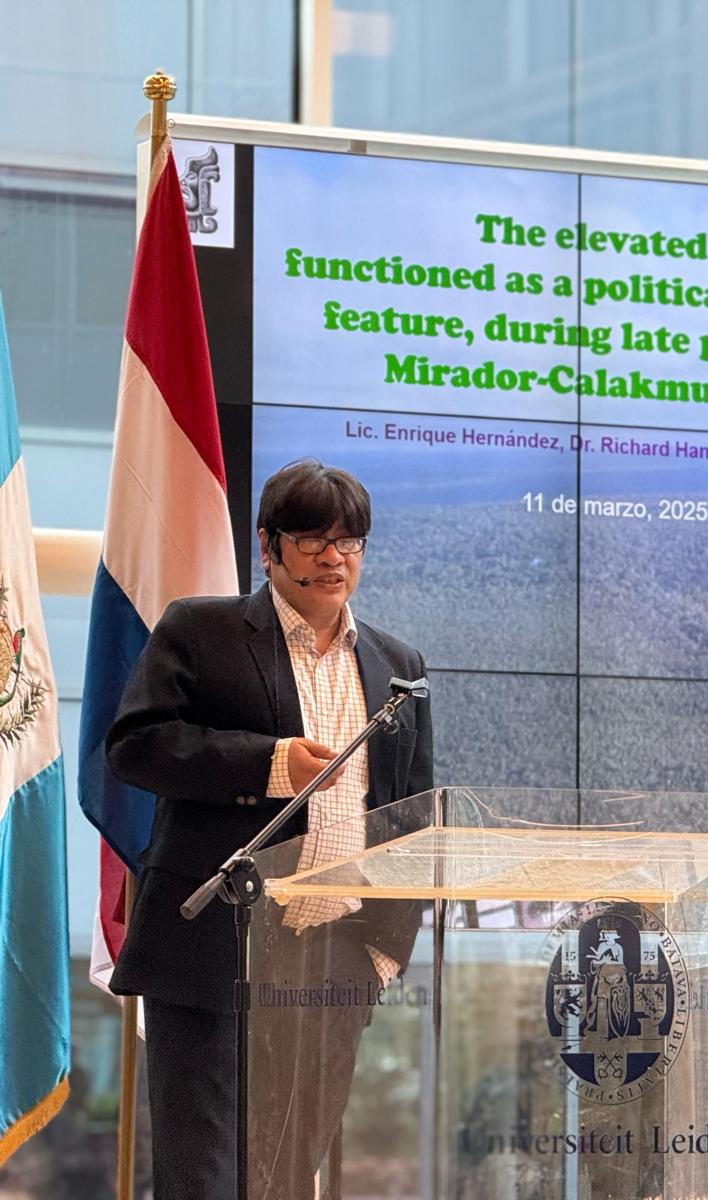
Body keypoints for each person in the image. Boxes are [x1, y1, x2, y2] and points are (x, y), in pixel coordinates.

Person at [107, 459, 433, 1199]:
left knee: (288, 1174)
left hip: (338, 959)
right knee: (206, 1174)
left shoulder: (398, 666)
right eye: (312, 539)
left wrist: (385, 950)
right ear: (268, 545)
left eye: (349, 541)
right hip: (214, 948)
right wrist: (268, 764)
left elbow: (412, 811)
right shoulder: (202, 630)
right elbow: (134, 746)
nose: (333, 557)